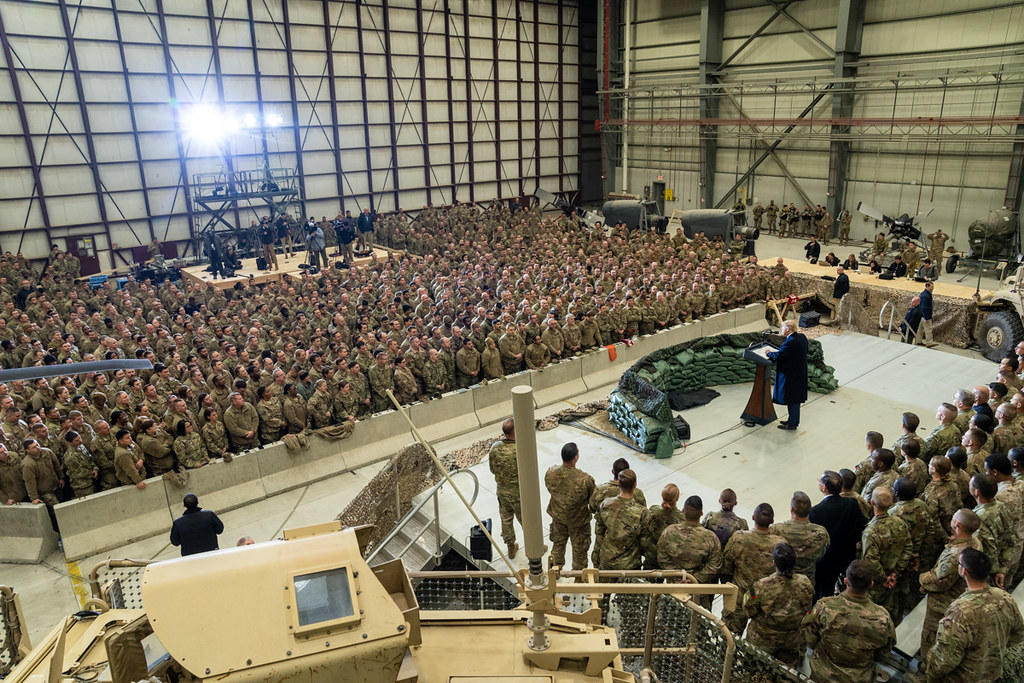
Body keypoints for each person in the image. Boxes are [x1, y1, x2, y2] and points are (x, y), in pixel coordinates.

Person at [925, 547, 1024, 680]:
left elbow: (945, 660)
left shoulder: (959, 612)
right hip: (990, 674)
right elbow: (1018, 633)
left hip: (961, 677)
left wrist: (929, 671)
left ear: (964, 571)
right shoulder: (1004, 597)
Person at [803, 559, 897, 683]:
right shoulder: (882, 618)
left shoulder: (825, 606)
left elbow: (810, 639)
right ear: (871, 584)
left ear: (846, 581)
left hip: (823, 675)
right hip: (859, 678)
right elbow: (882, 654)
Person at [918, 508, 983, 668]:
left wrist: (922, 579)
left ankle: (926, 669)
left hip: (942, 603)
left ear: (958, 525)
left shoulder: (955, 555)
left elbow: (939, 581)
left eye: (953, 518)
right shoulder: (974, 542)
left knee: (931, 638)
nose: (951, 518)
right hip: (958, 595)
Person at [743, 542, 814, 667]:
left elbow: (749, 610)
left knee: (756, 668)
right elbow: (807, 606)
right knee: (787, 673)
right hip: (792, 639)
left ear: (774, 563)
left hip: (763, 638)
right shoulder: (805, 582)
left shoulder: (761, 586)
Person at [721, 503, 785, 634]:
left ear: (752, 517)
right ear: (772, 521)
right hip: (767, 601)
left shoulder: (739, 538)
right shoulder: (780, 544)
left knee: (729, 637)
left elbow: (726, 566)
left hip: (739, 596)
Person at [809, 470, 868, 599]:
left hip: (827, 560)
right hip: (847, 554)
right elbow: (861, 524)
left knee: (826, 591)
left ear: (824, 488)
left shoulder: (816, 511)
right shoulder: (852, 503)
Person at [658, 495, 722, 609]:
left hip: (674, 590)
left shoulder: (669, 532)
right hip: (698, 594)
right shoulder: (711, 538)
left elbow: (662, 557)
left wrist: (676, 576)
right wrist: (694, 579)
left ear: (683, 511)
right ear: (701, 513)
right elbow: (714, 566)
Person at [544, 442, 595, 571]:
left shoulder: (550, 473)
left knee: (558, 545)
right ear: (575, 457)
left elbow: (550, 489)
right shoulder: (585, 479)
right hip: (578, 521)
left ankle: (553, 573)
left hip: (558, 518)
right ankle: (578, 578)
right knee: (579, 550)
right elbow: (593, 500)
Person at [594, 469, 651, 570]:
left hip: (608, 559)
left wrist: (597, 555)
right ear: (635, 485)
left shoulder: (605, 504)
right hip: (630, 564)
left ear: (618, 483)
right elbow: (645, 543)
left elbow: (599, 532)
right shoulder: (642, 512)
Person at [770, 491, 830, 586]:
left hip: (779, 582)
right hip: (806, 583)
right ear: (810, 509)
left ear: (791, 509)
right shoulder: (821, 533)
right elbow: (823, 552)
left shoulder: (776, 530)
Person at [488, 418, 521, 558]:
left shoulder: (495, 448)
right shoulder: (520, 449)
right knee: (527, 520)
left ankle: (510, 547)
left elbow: (492, 469)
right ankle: (535, 547)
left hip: (502, 491)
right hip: (519, 493)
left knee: (506, 519)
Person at [766, 319, 808, 430]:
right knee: (793, 399)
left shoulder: (790, 342)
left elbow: (781, 355)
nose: (781, 330)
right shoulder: (802, 337)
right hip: (799, 372)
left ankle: (793, 424)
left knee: (793, 399)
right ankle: (791, 420)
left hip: (791, 375)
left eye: (782, 328)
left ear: (788, 329)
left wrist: (769, 353)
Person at [918, 280, 936, 347]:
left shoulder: (924, 294)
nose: (933, 288)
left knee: (920, 329)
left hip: (922, 315)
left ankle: (918, 341)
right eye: (931, 287)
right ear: (927, 286)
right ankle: (929, 343)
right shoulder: (926, 296)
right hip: (925, 316)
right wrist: (926, 317)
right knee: (928, 329)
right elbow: (924, 307)